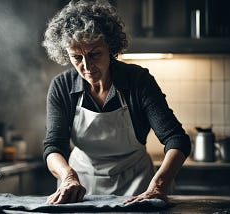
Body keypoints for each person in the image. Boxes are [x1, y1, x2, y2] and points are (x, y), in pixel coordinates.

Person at [42, 0, 191, 205]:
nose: (86, 66)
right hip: (80, 190)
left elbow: (176, 139)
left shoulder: (138, 81)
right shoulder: (62, 86)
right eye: (76, 57)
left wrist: (158, 186)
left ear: (110, 46)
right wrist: (68, 177)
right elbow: (53, 147)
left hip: (138, 187)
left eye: (95, 54)